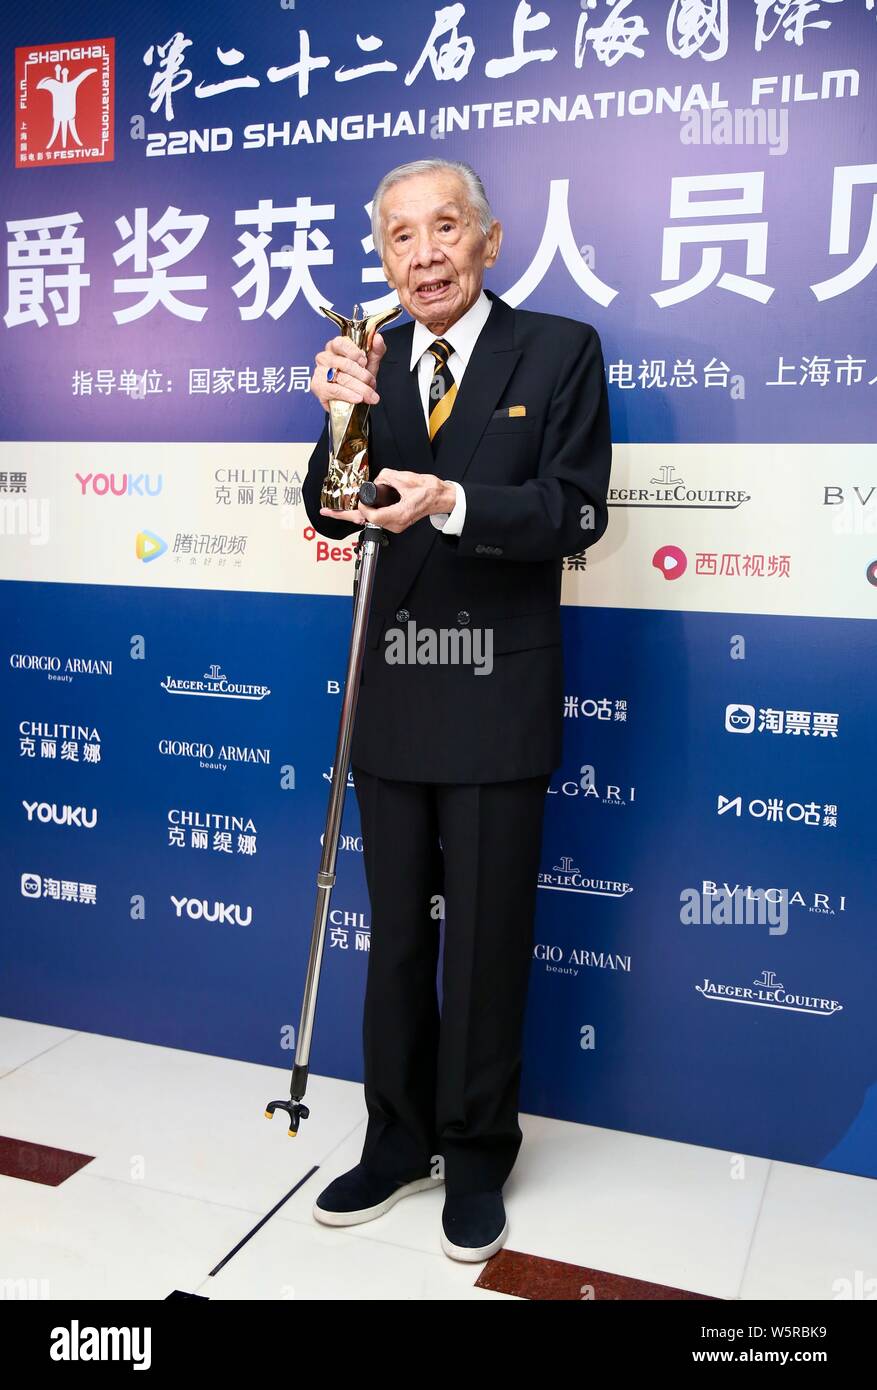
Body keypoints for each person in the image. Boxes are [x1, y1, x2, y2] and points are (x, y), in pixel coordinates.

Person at [301, 158, 612, 1262]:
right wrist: (344, 416)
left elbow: (575, 512)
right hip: (392, 687)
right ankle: (396, 1139)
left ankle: (476, 1153)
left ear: (487, 240)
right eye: (398, 237)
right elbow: (334, 513)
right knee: (394, 945)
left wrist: (453, 501)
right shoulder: (372, 365)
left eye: (443, 230)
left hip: (495, 689)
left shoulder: (558, 349)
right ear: (381, 256)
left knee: (483, 945)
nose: (421, 253)